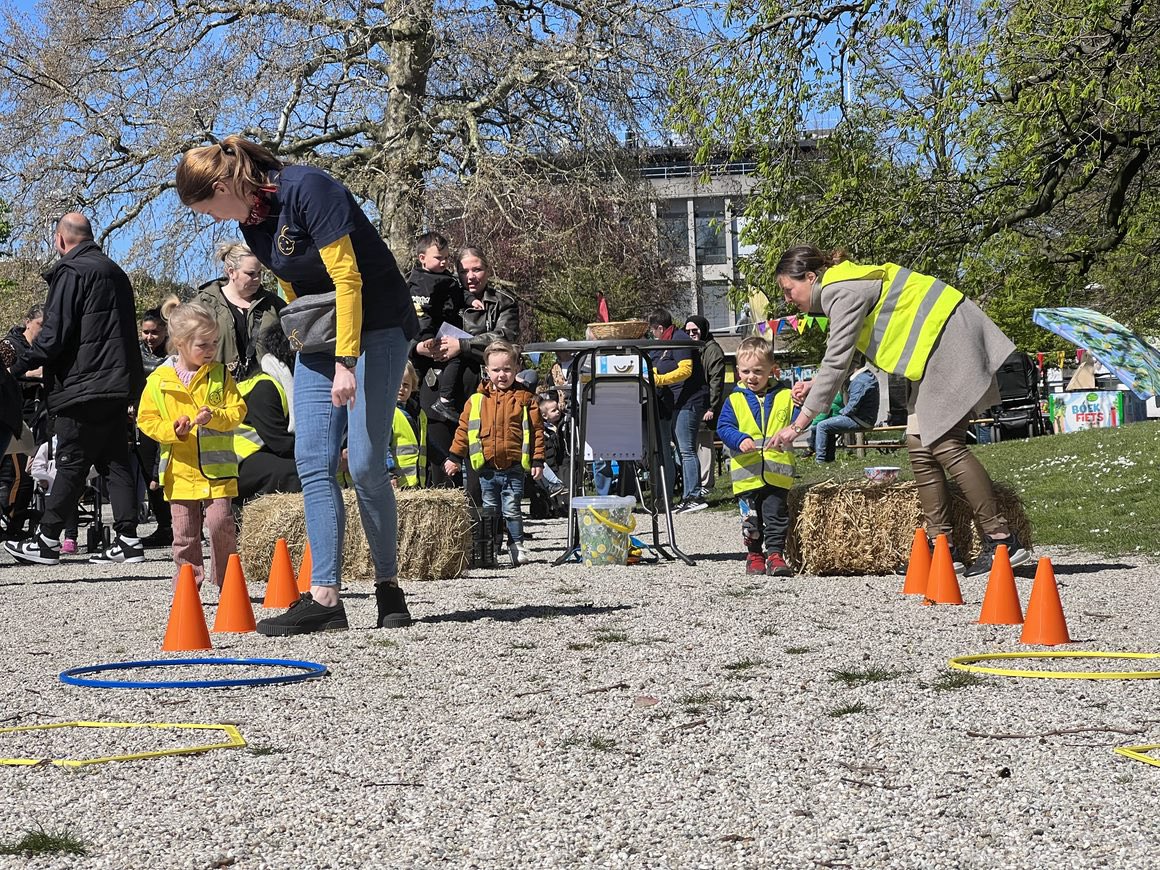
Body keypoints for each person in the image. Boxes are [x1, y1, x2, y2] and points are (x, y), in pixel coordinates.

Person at [177, 135, 419, 633]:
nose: (211, 217)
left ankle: (388, 587)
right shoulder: (253, 222)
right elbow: (291, 282)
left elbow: (348, 280)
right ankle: (326, 598)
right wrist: (304, 334)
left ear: (224, 185)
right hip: (322, 337)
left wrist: (347, 361)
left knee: (370, 464)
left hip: (377, 326)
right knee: (312, 458)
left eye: (207, 207)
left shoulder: (309, 188)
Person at [769, 245, 1032, 576]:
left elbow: (837, 359)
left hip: (946, 341)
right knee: (918, 444)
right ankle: (941, 548)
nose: (788, 300)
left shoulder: (839, 290)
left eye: (788, 290)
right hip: (934, 348)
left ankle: (1001, 541)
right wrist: (815, 384)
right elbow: (849, 351)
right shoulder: (844, 287)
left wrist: (799, 424)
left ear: (809, 277)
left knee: (944, 443)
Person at [4, 213, 146, 567]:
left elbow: (53, 335)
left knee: (71, 460)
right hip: (118, 384)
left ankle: (47, 540)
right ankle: (128, 539)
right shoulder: (115, 272)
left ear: (61, 239)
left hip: (82, 385)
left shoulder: (71, 272)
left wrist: (16, 367)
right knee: (115, 461)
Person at [137, 301, 247, 587]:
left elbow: (238, 411)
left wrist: (215, 417)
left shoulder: (221, 375)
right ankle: (188, 585)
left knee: (221, 524)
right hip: (180, 471)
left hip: (218, 472)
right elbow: (146, 419)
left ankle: (227, 583)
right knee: (184, 534)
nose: (211, 350)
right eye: (203, 344)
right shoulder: (158, 381)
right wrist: (172, 431)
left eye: (214, 342)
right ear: (180, 343)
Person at [415, 247, 518, 487]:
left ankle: (485, 523)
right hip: (438, 387)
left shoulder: (503, 301)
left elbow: (505, 339)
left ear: (488, 270)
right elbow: (418, 325)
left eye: (477, 269)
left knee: (479, 470)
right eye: (464, 271)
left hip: (482, 389)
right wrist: (419, 348)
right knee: (442, 470)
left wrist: (462, 346)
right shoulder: (441, 293)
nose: (470, 276)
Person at [444, 340, 544, 566]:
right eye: (496, 370)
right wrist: (454, 456)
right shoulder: (477, 400)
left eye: (507, 369)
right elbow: (463, 430)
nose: (502, 375)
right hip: (487, 467)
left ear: (517, 369)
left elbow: (537, 431)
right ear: (486, 370)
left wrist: (538, 459)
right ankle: (492, 545)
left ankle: (516, 544)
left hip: (514, 466)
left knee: (512, 507)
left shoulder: (525, 400)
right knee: (490, 510)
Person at [646, 308, 708, 513]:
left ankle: (693, 495)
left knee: (686, 450)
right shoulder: (665, 343)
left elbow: (686, 369)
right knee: (681, 450)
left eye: (653, 331)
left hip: (690, 400)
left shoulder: (679, 339)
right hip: (677, 402)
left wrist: (659, 380)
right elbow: (659, 365)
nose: (652, 335)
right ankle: (673, 496)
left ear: (660, 328)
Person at [193, 241, 285, 378]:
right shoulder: (203, 304)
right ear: (231, 272)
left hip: (265, 391)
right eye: (250, 273)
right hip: (217, 387)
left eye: (260, 273)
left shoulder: (274, 305)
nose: (257, 279)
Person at [235, 324, 300, 503]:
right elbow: (279, 442)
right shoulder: (265, 387)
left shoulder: (274, 382)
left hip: (250, 458)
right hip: (235, 464)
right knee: (297, 471)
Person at [408, 231, 466, 425]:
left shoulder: (448, 279)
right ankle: (414, 403)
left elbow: (459, 296)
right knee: (414, 374)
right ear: (422, 258)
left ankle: (444, 399)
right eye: (439, 258)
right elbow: (414, 313)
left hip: (442, 336)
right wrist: (421, 340)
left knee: (454, 360)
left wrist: (472, 299)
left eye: (447, 258)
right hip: (423, 338)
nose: (444, 262)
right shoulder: (414, 282)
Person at [137, 306, 174, 547]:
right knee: (149, 474)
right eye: (145, 332)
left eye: (154, 333)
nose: (149, 338)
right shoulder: (135, 353)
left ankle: (179, 523)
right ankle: (163, 525)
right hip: (146, 418)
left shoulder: (175, 354)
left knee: (165, 472)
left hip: (171, 418)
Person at [684, 315, 726, 498]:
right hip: (694, 404)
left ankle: (706, 484)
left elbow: (716, 381)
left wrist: (711, 407)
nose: (692, 334)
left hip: (707, 405)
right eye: (688, 332)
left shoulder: (712, 350)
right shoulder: (693, 348)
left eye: (695, 330)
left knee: (705, 444)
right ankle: (697, 483)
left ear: (704, 329)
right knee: (693, 445)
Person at [813, 364, 881, 463]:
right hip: (866, 418)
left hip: (860, 419)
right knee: (828, 426)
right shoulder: (868, 376)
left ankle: (820, 460)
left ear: (854, 365)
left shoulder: (860, 381)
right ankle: (829, 459)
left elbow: (852, 407)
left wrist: (841, 413)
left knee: (821, 426)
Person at [388, 362, 426, 488]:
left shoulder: (419, 414)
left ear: (413, 386)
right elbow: (382, 448)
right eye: (397, 383)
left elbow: (427, 443)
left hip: (416, 481)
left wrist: (444, 460)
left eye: (406, 385)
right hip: (396, 481)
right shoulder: (387, 414)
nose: (401, 388)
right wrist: (389, 473)